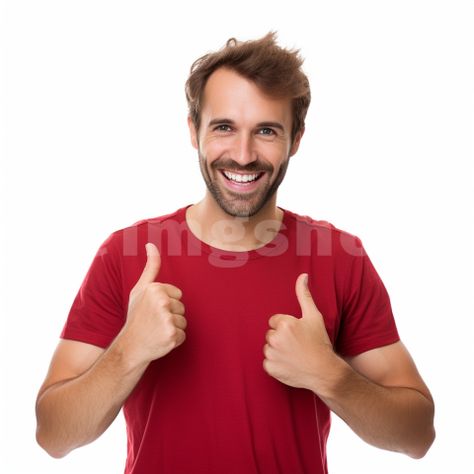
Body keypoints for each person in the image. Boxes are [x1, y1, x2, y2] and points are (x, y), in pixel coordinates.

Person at [35, 32, 435, 473]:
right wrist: (128, 351)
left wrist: (329, 375)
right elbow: (53, 436)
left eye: (266, 130)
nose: (243, 155)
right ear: (194, 130)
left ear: (296, 138)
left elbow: (417, 436)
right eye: (224, 127)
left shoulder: (339, 257)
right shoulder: (126, 254)